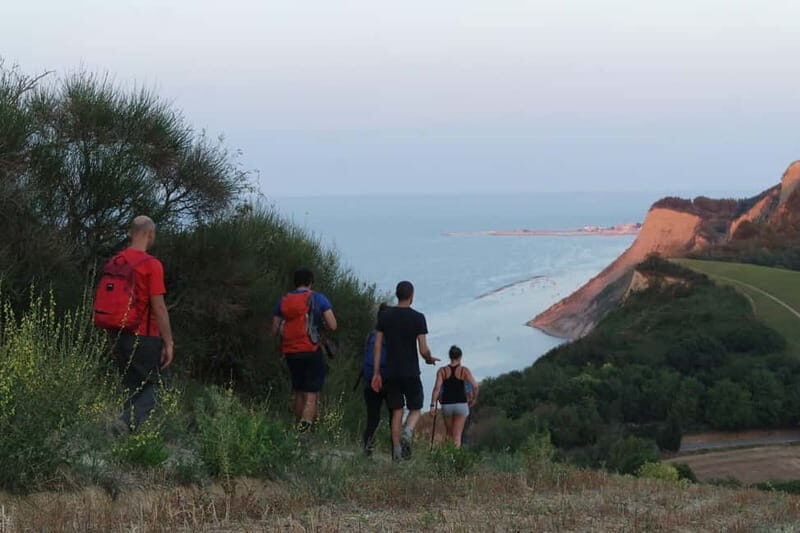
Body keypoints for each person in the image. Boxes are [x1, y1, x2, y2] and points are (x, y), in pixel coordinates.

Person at [109, 216, 174, 431]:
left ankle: (124, 436)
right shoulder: (151, 265)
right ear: (150, 234)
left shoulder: (116, 261)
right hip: (144, 335)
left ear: (130, 232)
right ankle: (125, 424)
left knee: (133, 387)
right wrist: (169, 342)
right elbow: (159, 307)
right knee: (161, 385)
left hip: (117, 333)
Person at [371, 281, 439, 461]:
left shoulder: (384, 317)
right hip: (410, 372)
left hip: (390, 372)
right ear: (412, 296)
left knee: (397, 411)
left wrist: (377, 372)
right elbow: (423, 349)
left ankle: (397, 454)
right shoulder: (418, 317)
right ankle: (407, 432)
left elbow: (377, 346)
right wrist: (429, 359)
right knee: (415, 407)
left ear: (397, 294)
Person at [272, 267, 337, 433]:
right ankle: (304, 430)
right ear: (310, 282)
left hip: (290, 352)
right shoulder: (318, 299)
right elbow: (333, 325)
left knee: (299, 391)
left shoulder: (284, 301)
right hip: (311, 349)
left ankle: (296, 429)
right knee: (312, 393)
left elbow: (275, 329)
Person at [430, 345, 479, 448]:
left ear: (450, 356)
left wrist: (432, 405)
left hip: (447, 405)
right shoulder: (464, 370)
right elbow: (475, 386)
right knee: (457, 436)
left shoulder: (442, 371)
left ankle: (447, 457)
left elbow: (436, 389)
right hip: (461, 404)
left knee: (449, 434)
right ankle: (454, 460)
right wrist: (474, 399)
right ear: (460, 357)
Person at [361, 303, 391, 456]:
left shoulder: (370, 336)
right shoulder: (393, 336)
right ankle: (396, 451)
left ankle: (367, 447)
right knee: (394, 414)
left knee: (372, 417)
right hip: (388, 380)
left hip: (370, 381)